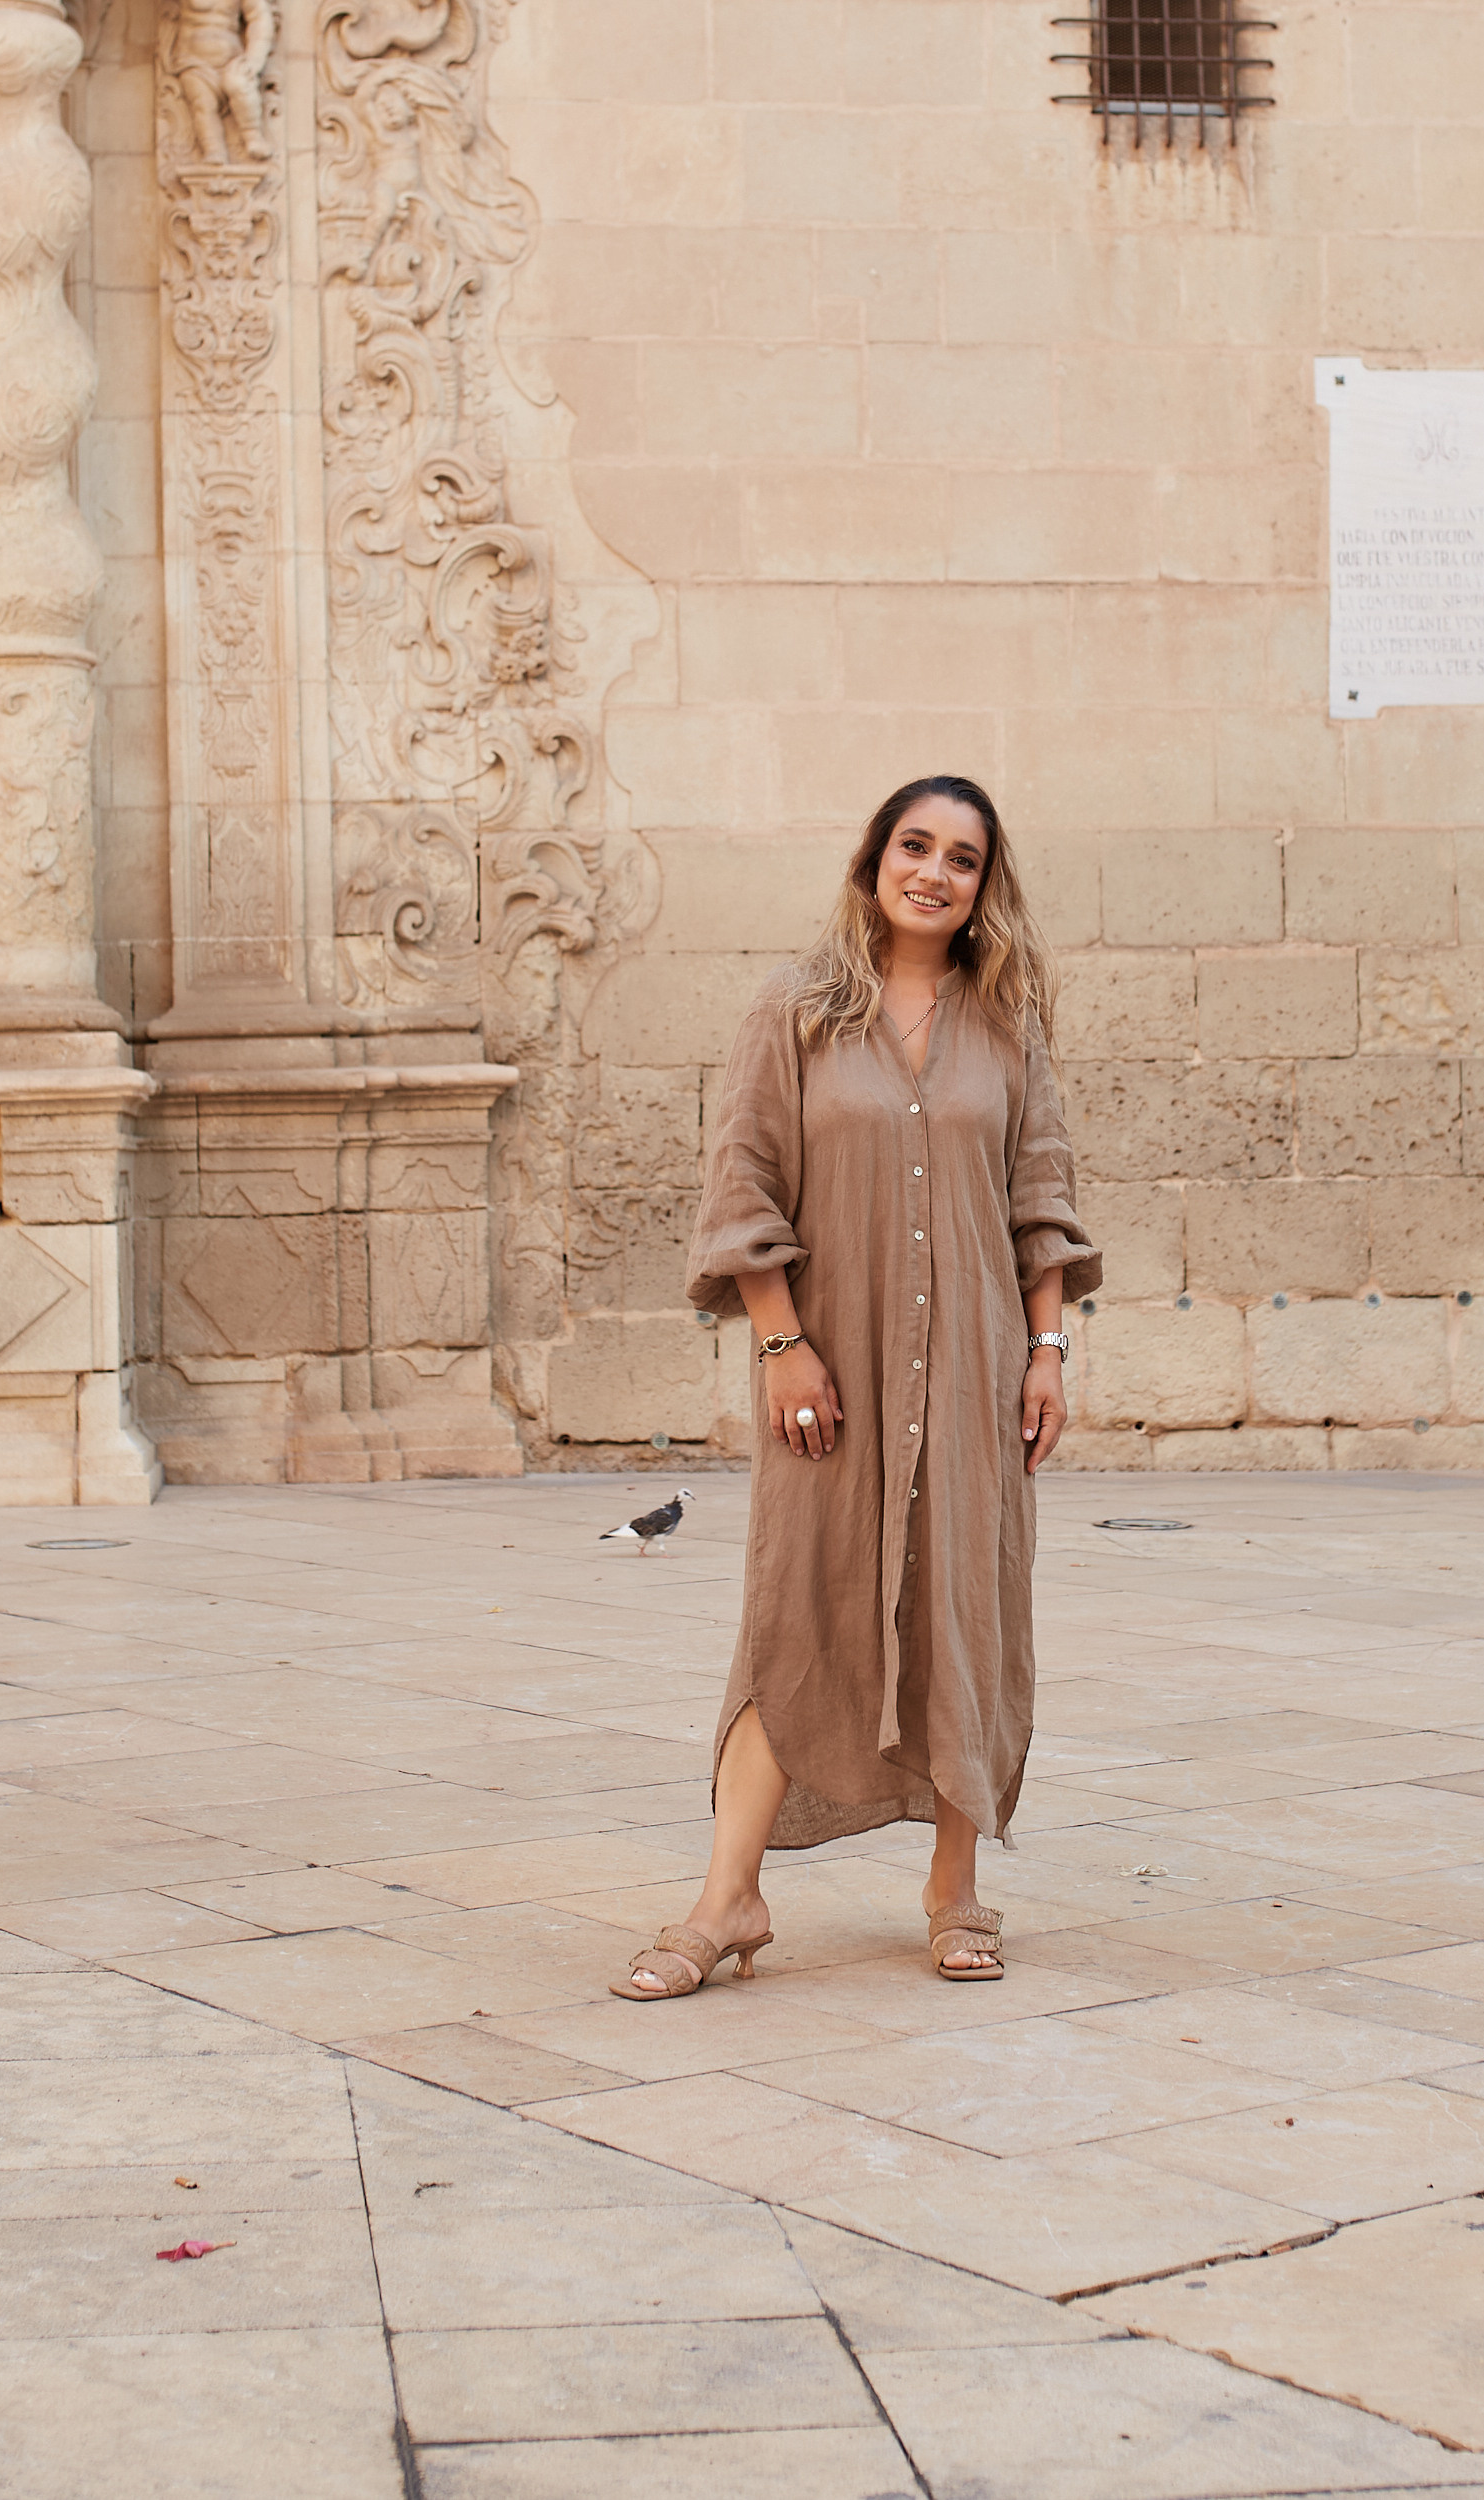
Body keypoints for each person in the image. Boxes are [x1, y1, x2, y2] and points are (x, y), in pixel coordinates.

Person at [610, 775, 1101, 2000]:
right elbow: (742, 1186)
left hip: (978, 1366)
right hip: (828, 1367)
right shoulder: (795, 1009)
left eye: (961, 858)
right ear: (873, 861)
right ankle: (728, 1896)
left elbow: (1040, 1198)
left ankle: (953, 1885)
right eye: (913, 846)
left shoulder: (1007, 1023)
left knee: (965, 1608)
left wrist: (1047, 1351)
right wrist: (781, 1343)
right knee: (796, 1607)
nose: (933, 871)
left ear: (983, 885)